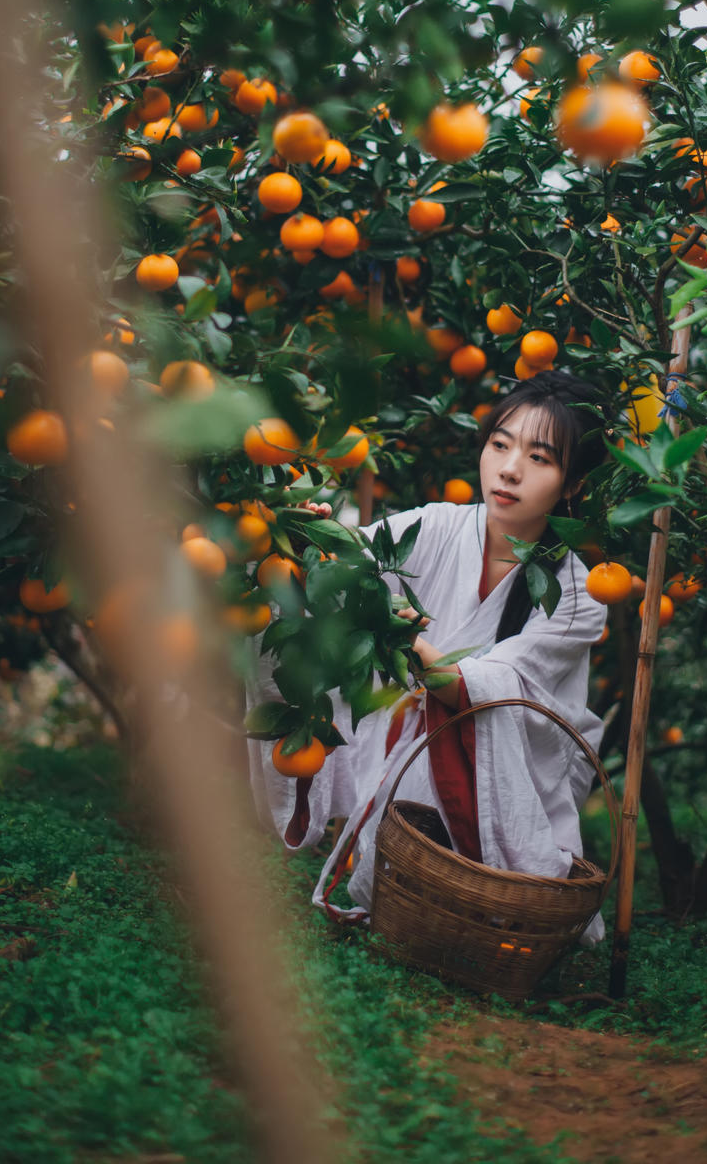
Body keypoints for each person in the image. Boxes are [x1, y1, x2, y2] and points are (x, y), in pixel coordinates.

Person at [248, 369, 610, 939]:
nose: (510, 468)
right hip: (406, 739)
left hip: (507, 764)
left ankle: (467, 886)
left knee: (477, 726)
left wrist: (404, 637)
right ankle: (397, 873)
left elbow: (490, 690)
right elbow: (351, 570)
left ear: (572, 484)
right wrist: (312, 542)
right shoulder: (439, 526)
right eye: (499, 445)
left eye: (539, 458)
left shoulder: (578, 595)